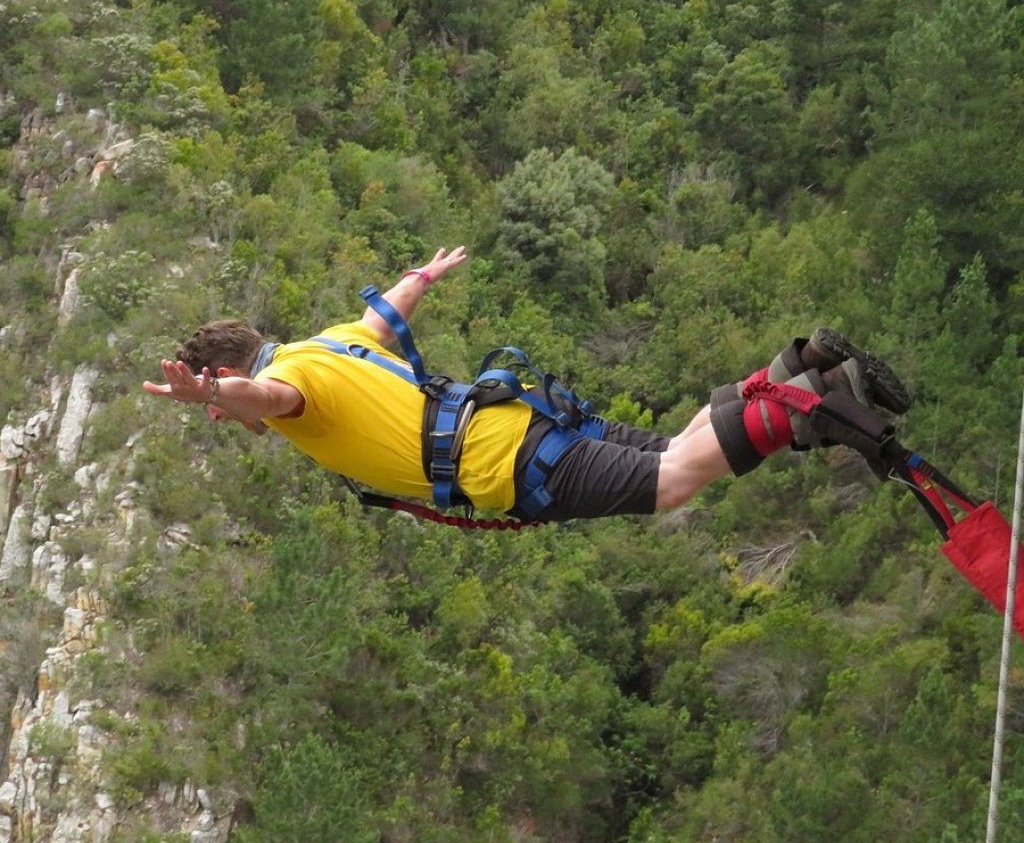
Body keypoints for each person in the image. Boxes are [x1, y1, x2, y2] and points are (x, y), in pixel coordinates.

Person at [143, 245, 910, 522]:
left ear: (230, 370)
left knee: (673, 484)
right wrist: (422, 276)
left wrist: (212, 396)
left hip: (504, 462)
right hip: (517, 419)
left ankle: (814, 408)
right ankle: (798, 368)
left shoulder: (284, 389)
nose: (222, 416)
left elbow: (265, 400)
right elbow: (387, 312)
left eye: (217, 399)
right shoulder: (330, 342)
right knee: (678, 448)